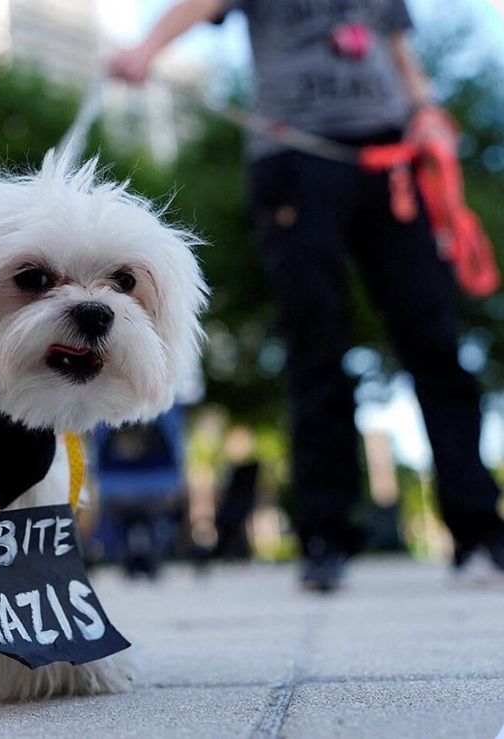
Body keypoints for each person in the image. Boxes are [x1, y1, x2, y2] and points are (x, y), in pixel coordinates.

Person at [109, 0, 504, 590]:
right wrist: (144, 51)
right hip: (295, 156)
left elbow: (399, 52)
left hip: (391, 160)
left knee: (434, 338)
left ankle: (479, 532)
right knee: (315, 342)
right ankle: (325, 535)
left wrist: (425, 108)